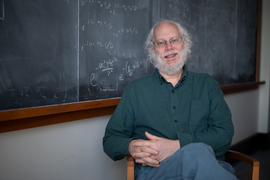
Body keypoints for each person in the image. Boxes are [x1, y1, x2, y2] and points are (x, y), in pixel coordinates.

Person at [103, 19, 238, 180]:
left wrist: (176, 146)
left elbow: (224, 134)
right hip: (157, 171)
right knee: (199, 152)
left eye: (174, 40)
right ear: (152, 50)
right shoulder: (135, 89)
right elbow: (110, 140)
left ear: (185, 43)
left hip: (209, 166)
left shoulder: (207, 84)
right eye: (161, 43)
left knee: (198, 154)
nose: (169, 47)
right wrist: (131, 146)